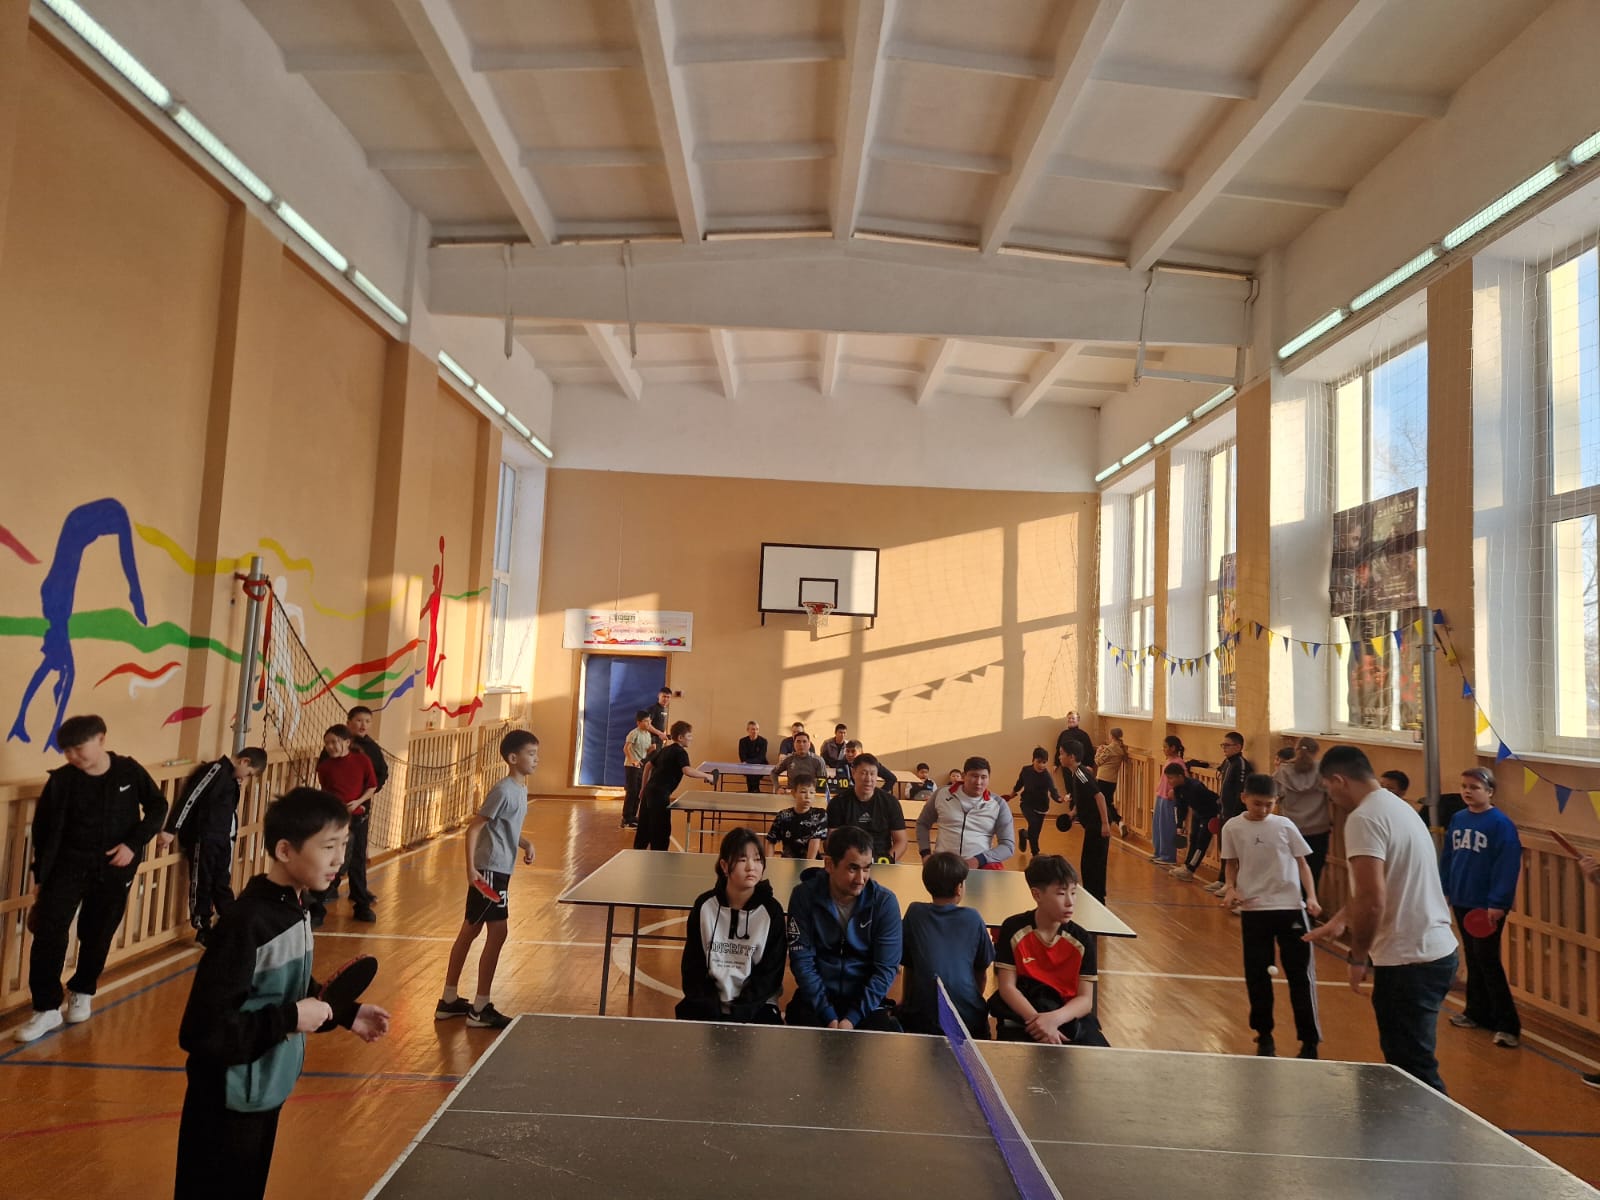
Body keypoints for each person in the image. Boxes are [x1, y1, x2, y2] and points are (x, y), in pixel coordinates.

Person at [174, 787, 389, 1199]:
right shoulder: (247, 922)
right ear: (286, 851)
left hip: (262, 1089)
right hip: (225, 1099)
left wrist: (344, 1012)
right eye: (328, 846)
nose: (339, 859)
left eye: (344, 845)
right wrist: (291, 1018)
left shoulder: (294, 908)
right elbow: (202, 1031)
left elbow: (285, 986)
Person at [1305, 746, 1458, 1092]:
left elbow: (1373, 899)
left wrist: (1358, 957)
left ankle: (1437, 1128)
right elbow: (1387, 880)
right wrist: (1342, 917)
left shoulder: (1364, 818)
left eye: (1327, 787)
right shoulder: (1398, 807)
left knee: (1413, 1072)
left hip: (1408, 962)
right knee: (1410, 1063)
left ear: (1339, 780)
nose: (1330, 796)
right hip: (1437, 952)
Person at [13, 714, 168, 1042]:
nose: (73, 756)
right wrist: (40, 875)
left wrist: (133, 843)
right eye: (66, 751)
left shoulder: (128, 771)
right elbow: (43, 831)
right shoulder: (62, 780)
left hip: (114, 868)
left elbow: (158, 806)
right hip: (67, 867)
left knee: (98, 932)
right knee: (49, 931)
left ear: (101, 739)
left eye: (78, 748)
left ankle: (82, 989)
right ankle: (46, 1008)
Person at [435, 730, 540, 1030]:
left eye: (536, 754)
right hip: (489, 872)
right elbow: (474, 828)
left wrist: (526, 843)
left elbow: (504, 828)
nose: (536, 759)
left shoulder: (520, 789)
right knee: (497, 933)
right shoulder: (504, 790)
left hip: (500, 870)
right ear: (513, 758)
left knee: (470, 930)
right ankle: (480, 1008)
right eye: (531, 754)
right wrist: (471, 869)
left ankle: (449, 1000)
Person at [1220, 774, 1323, 1059]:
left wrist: (1311, 897)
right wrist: (1230, 887)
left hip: (1290, 909)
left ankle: (1309, 1041)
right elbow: (1231, 864)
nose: (1263, 810)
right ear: (1244, 798)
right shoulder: (1232, 827)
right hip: (1254, 911)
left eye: (1270, 804)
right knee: (1257, 976)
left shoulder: (1285, 826)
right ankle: (1264, 1035)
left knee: (1300, 976)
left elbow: (1302, 864)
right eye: (1257, 804)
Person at [785, 826, 903, 1031]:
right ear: (829, 864)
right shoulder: (804, 896)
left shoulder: (885, 903)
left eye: (866, 868)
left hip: (865, 1003)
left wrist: (852, 1019)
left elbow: (885, 969)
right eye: (852, 868)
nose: (861, 879)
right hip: (816, 1000)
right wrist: (828, 1015)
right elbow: (802, 961)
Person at [1440, 767, 1522, 1049]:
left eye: (1474, 787)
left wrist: (1498, 902)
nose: (1467, 791)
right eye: (1464, 786)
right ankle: (1476, 1012)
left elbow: (1507, 866)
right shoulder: (1458, 818)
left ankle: (1508, 1025)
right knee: (1473, 958)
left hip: (1486, 905)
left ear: (1489, 792)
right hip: (1462, 899)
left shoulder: (1501, 824)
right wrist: (1445, 888)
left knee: (1487, 960)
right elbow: (1448, 857)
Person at [988, 855, 1108, 1046]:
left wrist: (1053, 1020)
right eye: (1061, 893)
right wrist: (1039, 1023)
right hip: (1024, 1015)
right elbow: (1007, 987)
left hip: (1066, 1015)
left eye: (1073, 892)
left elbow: (1085, 1000)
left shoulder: (1082, 940)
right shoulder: (1013, 929)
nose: (1070, 902)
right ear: (1037, 895)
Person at [157, 747, 269, 946]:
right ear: (244, 761)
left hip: (222, 838)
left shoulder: (232, 780)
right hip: (204, 837)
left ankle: (230, 921)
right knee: (203, 881)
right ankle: (203, 926)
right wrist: (171, 829)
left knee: (221, 881)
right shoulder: (215, 771)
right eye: (249, 773)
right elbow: (190, 798)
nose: (246, 778)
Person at [678, 827, 786, 1023]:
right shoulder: (704, 906)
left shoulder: (772, 911)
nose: (751, 867)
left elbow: (770, 974)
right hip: (708, 1005)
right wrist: (711, 1009)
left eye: (757, 859)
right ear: (725, 866)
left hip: (754, 1006)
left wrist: (740, 1013)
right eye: (742, 860)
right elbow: (692, 967)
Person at [900, 851, 994, 1038]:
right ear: (959, 888)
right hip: (968, 1021)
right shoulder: (973, 918)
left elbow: (909, 966)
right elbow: (981, 974)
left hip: (919, 1018)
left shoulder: (914, 912)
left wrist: (905, 1001)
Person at [311, 724, 377, 925]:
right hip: (336, 820)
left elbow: (372, 786)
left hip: (357, 818)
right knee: (332, 861)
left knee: (357, 861)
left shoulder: (362, 761)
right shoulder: (325, 767)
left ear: (347, 742)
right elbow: (326, 791)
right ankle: (316, 907)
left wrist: (358, 802)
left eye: (334, 742)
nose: (330, 747)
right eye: (327, 743)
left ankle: (362, 905)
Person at [916, 756, 1016, 869]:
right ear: (963, 776)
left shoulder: (999, 804)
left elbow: (1008, 846)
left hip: (980, 866)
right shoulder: (941, 794)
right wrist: (925, 853)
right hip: (943, 865)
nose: (978, 782)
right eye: (974, 776)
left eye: (983, 777)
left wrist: (979, 860)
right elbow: (923, 823)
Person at [635, 721, 718, 851]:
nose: (691, 739)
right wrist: (708, 776)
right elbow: (687, 770)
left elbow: (647, 766)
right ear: (680, 738)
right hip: (659, 796)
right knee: (661, 832)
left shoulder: (665, 749)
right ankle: (659, 859)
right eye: (689, 736)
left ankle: (638, 856)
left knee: (644, 830)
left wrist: (643, 788)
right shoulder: (680, 752)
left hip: (649, 792)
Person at [1274, 737, 1331, 893]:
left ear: (1296, 750)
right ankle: (1310, 904)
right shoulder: (1322, 771)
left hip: (1291, 829)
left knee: (1290, 872)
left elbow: (1274, 796)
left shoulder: (1283, 771)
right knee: (1313, 873)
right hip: (1318, 829)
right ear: (1316, 752)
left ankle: (1291, 905)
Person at [827, 753, 908, 863]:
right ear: (853, 773)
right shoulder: (838, 802)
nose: (868, 779)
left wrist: (885, 861)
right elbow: (832, 841)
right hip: (849, 861)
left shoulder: (891, 802)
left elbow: (901, 841)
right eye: (864, 773)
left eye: (872, 774)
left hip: (882, 859)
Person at [1206, 732, 1254, 896]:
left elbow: (1240, 793)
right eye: (1223, 745)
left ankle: (1233, 884)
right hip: (1223, 813)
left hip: (1234, 816)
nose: (1224, 748)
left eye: (1227, 745)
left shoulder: (1241, 765)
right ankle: (1223, 880)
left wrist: (1234, 816)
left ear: (1238, 747)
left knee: (1235, 852)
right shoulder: (1227, 762)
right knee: (1225, 849)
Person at [1169, 763, 1221, 883]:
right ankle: (1186, 866)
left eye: (1171, 778)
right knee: (1193, 839)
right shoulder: (1177, 789)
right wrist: (1179, 825)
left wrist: (1219, 815)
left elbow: (1215, 799)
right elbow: (1180, 807)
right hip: (1197, 814)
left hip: (1208, 815)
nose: (1169, 781)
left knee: (1201, 843)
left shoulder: (1196, 787)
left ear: (1180, 776)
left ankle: (1191, 869)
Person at [1006, 747, 1061, 857]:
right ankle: (1035, 853)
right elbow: (1019, 783)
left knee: (1034, 832)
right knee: (1034, 823)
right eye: (1039, 762)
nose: (1041, 765)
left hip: (1041, 807)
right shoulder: (1026, 770)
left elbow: (1053, 790)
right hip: (1026, 803)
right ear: (1033, 760)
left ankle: (1024, 834)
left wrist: (1059, 798)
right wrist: (1012, 794)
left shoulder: (1046, 776)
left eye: (1044, 762)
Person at [766, 773, 828, 860]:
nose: (808, 796)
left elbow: (815, 841)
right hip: (787, 862)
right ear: (794, 793)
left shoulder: (820, 815)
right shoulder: (783, 815)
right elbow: (771, 840)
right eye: (803, 792)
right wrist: (769, 863)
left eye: (811, 792)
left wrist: (809, 866)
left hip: (812, 862)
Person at [1149, 736, 1184, 865]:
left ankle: (1168, 855)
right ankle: (1158, 852)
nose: (1163, 749)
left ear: (1173, 748)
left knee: (1167, 827)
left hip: (1169, 799)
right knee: (1158, 826)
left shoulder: (1179, 762)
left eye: (1165, 747)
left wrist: (1175, 790)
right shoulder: (1168, 760)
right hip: (1161, 796)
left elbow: (1183, 779)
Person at [1094, 727, 1129, 837]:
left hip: (1103, 778)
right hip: (1112, 780)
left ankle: (1117, 821)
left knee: (1103, 803)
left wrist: (1098, 752)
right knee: (1108, 802)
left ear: (1112, 736)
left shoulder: (1109, 749)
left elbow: (1098, 762)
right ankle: (1117, 822)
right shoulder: (1121, 749)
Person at [621, 710, 652, 829]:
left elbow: (646, 751)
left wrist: (651, 749)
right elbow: (626, 748)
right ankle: (626, 818)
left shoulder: (648, 734)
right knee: (632, 791)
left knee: (639, 791)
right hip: (631, 766)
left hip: (641, 766)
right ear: (639, 722)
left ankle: (633, 816)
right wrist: (633, 760)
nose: (648, 723)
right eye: (646, 721)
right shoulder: (634, 733)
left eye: (649, 721)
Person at [736, 720, 769, 794]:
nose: (755, 731)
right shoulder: (742, 741)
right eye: (753, 729)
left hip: (761, 766)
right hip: (747, 767)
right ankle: (754, 792)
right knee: (751, 774)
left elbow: (761, 758)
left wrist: (748, 762)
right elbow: (742, 756)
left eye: (757, 729)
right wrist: (747, 763)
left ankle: (753, 792)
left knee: (753, 775)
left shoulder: (763, 741)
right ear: (748, 730)